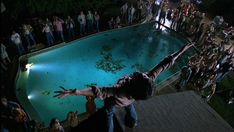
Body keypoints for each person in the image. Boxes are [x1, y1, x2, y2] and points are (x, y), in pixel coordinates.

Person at [54, 43, 194, 132]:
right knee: (130, 108)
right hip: (129, 101)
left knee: (108, 114)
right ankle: (132, 122)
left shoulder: (120, 90)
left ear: (135, 83)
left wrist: (75, 92)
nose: (142, 74)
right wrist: (181, 51)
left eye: (142, 76)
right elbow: (164, 65)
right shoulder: (145, 83)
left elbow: (99, 91)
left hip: (115, 101)